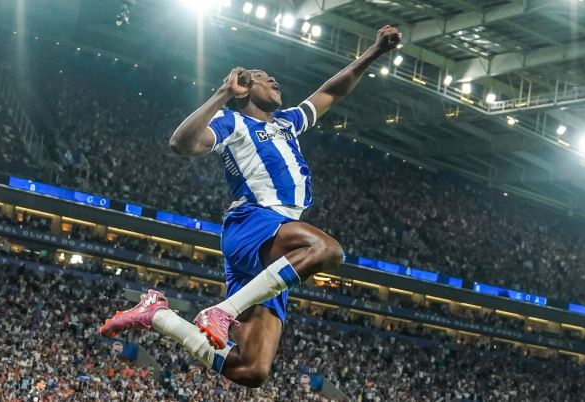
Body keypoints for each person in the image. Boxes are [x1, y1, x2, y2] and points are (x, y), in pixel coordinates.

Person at [100, 25, 402, 388]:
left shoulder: (288, 122)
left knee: (252, 370)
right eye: (262, 77)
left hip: (274, 251)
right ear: (244, 89)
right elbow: (181, 143)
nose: (273, 79)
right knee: (327, 250)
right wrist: (223, 94)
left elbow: (331, 92)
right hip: (255, 223)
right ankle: (222, 311)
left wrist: (374, 51)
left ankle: (158, 315)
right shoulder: (233, 121)